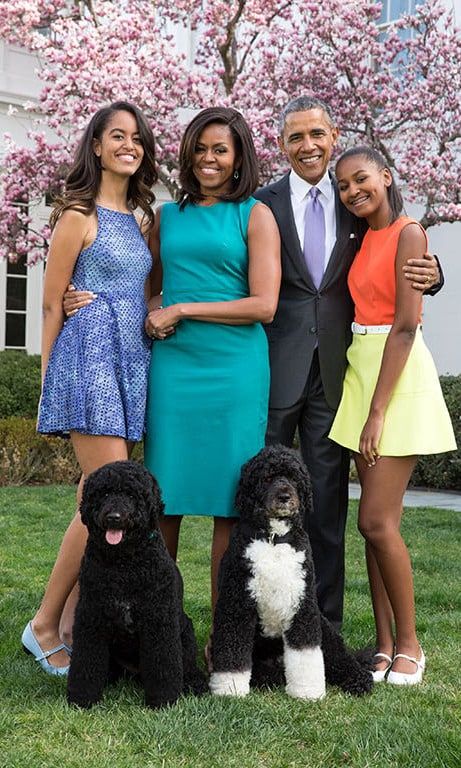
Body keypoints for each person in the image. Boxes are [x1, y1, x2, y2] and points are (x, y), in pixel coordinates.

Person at [254, 95, 442, 630]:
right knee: (260, 498)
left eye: (316, 134)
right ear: (282, 144)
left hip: (340, 376)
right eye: (295, 137)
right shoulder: (263, 203)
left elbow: (399, 247)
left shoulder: (354, 198)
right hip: (274, 367)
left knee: (327, 505)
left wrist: (435, 272)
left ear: (333, 137)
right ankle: (264, 621)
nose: (307, 146)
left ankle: (324, 627)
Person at [22, 101, 157, 674]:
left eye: (136, 137)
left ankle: (73, 622)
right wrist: (50, 379)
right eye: (116, 136)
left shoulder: (145, 218)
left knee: (93, 493)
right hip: (88, 357)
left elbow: (145, 290)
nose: (128, 144)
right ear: (96, 147)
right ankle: (46, 624)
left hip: (132, 359)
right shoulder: (77, 214)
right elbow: (52, 302)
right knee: (103, 491)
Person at [143, 107, 281, 627]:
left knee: (231, 503)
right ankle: (158, 634)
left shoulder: (255, 214)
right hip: (175, 369)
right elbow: (148, 286)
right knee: (164, 498)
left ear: (239, 155)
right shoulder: (167, 216)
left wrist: (182, 308)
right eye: (200, 148)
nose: (208, 159)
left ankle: (224, 641)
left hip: (234, 370)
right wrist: (154, 311)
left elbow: (264, 305)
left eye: (220, 149)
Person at [328, 146, 456, 684]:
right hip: (361, 368)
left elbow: (405, 326)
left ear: (386, 175)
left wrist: (377, 412)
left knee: (375, 520)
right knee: (376, 527)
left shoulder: (409, 232)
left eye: (362, 180)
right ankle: (382, 645)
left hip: (394, 375)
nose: (353, 191)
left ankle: (410, 645)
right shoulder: (361, 236)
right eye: (343, 186)